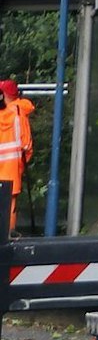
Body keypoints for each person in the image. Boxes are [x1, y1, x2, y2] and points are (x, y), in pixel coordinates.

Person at [0, 81, 33, 236]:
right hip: (12, 165)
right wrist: (23, 162)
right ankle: (8, 234)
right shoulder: (19, 113)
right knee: (10, 201)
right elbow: (26, 144)